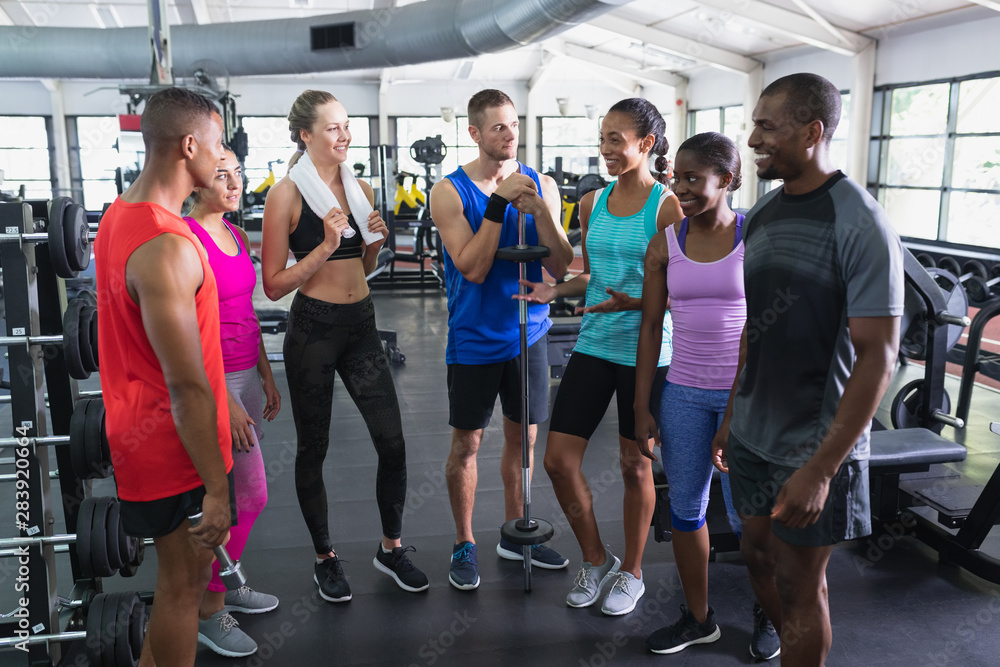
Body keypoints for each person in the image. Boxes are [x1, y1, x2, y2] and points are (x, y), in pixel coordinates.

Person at [712, 73, 903, 665]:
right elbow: (754, 330)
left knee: (802, 585)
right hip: (751, 434)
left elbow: (880, 355)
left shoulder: (860, 222)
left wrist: (823, 469)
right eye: (755, 124)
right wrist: (730, 416)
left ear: (812, 131)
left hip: (813, 446)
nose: (754, 138)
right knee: (757, 557)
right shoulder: (764, 214)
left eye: (768, 127)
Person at [261, 90, 428, 602]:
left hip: (360, 325)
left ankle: (390, 547)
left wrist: (374, 239)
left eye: (347, 125)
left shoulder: (361, 187)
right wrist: (326, 247)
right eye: (333, 128)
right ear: (306, 135)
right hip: (313, 329)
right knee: (314, 448)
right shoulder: (286, 195)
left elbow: (364, 265)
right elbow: (273, 284)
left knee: (393, 443)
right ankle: (325, 559)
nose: (345, 135)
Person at [517, 98, 681, 615]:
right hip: (594, 342)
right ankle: (596, 558)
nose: (605, 148)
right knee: (557, 461)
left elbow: (684, 287)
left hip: (648, 353)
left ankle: (632, 571)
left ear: (646, 145)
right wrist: (558, 290)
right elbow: (593, 272)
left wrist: (635, 301)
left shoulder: (667, 207)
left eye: (617, 139)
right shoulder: (592, 203)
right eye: (603, 137)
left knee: (636, 465)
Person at [94, 87, 233, 666]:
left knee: (178, 590)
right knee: (181, 593)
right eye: (218, 142)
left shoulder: (118, 217)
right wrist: (219, 490)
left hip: (143, 441)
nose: (223, 156)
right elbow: (186, 386)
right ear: (190, 145)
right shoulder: (165, 247)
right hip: (175, 455)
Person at [634, 132, 778, 659]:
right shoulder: (666, 241)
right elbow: (651, 328)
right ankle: (699, 619)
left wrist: (733, 416)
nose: (682, 188)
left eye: (694, 178)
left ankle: (771, 614)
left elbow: (757, 333)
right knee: (686, 511)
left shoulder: (755, 237)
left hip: (746, 397)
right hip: (684, 394)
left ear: (730, 180)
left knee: (750, 520)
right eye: (678, 178)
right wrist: (641, 406)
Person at [430, 89, 574, 590]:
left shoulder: (543, 184)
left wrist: (543, 214)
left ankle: (516, 534)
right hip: (473, 337)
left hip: (528, 334)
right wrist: (497, 205)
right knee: (467, 444)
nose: (509, 134)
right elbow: (470, 268)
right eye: (497, 127)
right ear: (474, 133)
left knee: (525, 438)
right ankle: (464, 542)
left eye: (513, 125)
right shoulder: (448, 192)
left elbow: (560, 265)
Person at [184, 147, 281, 656]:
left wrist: (265, 375)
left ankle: (226, 581)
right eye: (221, 174)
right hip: (213, 383)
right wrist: (226, 399)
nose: (234, 182)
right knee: (251, 492)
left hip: (246, 376)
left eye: (237, 172)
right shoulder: (188, 239)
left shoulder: (237, 234)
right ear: (196, 180)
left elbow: (246, 313)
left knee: (238, 493)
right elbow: (190, 336)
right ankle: (210, 608)